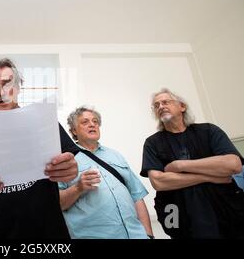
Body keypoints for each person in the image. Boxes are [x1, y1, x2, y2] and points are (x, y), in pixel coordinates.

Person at [0, 58, 78, 239]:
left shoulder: (44, 122)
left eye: (7, 83)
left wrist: (71, 169)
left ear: (19, 87)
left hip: (47, 235)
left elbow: (71, 162)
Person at [141, 88, 244, 238]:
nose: (161, 107)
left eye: (165, 102)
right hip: (180, 217)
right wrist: (209, 176)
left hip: (226, 212)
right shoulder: (152, 143)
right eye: (156, 105)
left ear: (182, 106)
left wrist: (180, 166)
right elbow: (159, 182)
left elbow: (233, 165)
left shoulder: (209, 131)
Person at [59, 106, 153, 239]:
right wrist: (78, 188)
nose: (92, 124)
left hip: (136, 235)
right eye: (85, 122)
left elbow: (137, 196)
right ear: (74, 130)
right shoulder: (65, 160)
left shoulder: (116, 155)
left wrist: (148, 234)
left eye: (95, 121)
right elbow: (57, 204)